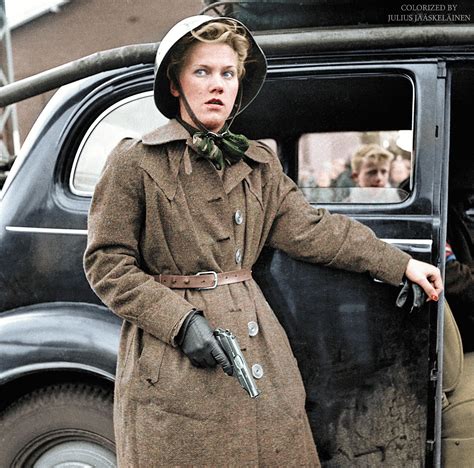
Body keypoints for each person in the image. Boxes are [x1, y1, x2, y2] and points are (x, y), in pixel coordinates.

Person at [83, 15, 443, 467]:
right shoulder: (135, 162)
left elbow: (314, 229)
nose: (218, 85)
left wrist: (399, 263)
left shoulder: (257, 164)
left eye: (228, 73)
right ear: (175, 83)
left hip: (257, 348)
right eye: (202, 72)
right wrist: (180, 323)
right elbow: (107, 265)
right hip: (173, 356)